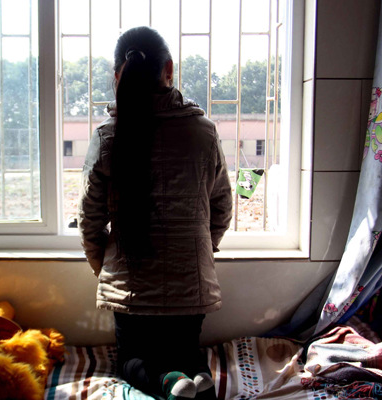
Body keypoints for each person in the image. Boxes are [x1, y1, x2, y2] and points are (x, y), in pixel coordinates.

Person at [77, 26, 233, 400]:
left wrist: (106, 269)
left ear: (118, 76)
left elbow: (89, 219)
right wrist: (199, 250)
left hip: (131, 291)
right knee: (185, 351)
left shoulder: (107, 137)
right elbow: (223, 207)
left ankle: (169, 382)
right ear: (170, 68)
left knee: (131, 360)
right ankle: (197, 377)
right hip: (191, 291)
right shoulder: (204, 132)